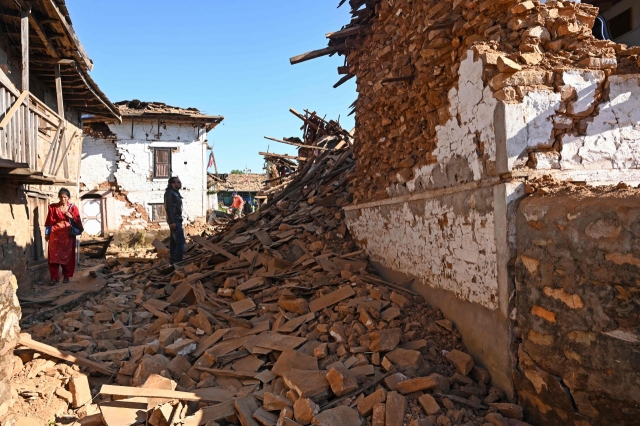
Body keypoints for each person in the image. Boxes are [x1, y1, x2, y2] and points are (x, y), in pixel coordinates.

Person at [45, 188, 83, 285]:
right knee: (53, 256)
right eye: (61, 197)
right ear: (59, 197)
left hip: (68, 234)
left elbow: (78, 221)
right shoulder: (53, 208)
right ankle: (54, 277)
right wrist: (47, 233)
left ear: (68, 198)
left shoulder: (73, 208)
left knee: (68, 256)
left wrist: (71, 217)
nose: (63, 199)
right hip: (55, 234)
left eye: (65, 197)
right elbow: (49, 222)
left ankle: (66, 276)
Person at [164, 177, 185, 264]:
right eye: (178, 182)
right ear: (173, 184)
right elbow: (168, 207)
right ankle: (178, 261)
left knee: (173, 241)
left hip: (177, 219)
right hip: (175, 220)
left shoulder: (175, 193)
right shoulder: (169, 193)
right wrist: (172, 221)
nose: (180, 183)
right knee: (180, 241)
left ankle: (173, 260)